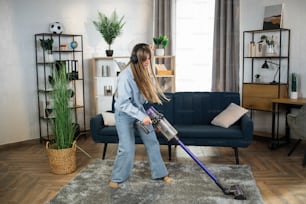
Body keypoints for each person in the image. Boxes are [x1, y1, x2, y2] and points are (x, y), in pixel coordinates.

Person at [108, 43, 172, 188]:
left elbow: (141, 99)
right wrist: (141, 116)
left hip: (138, 110)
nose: (147, 62)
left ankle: (160, 173)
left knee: (152, 141)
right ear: (135, 60)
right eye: (144, 60)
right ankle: (117, 177)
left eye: (149, 59)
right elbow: (123, 104)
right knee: (127, 147)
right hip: (123, 114)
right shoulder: (125, 77)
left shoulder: (142, 70)